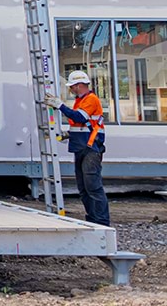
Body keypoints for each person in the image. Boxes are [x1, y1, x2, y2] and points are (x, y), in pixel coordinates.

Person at [48, 69, 110, 226]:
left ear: (79, 85)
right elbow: (82, 124)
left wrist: (60, 105)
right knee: (84, 188)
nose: (71, 89)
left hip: (90, 149)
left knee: (93, 187)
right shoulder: (81, 100)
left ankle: (101, 222)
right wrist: (68, 135)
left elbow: (80, 117)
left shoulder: (90, 99)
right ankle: (92, 220)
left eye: (72, 86)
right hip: (82, 148)